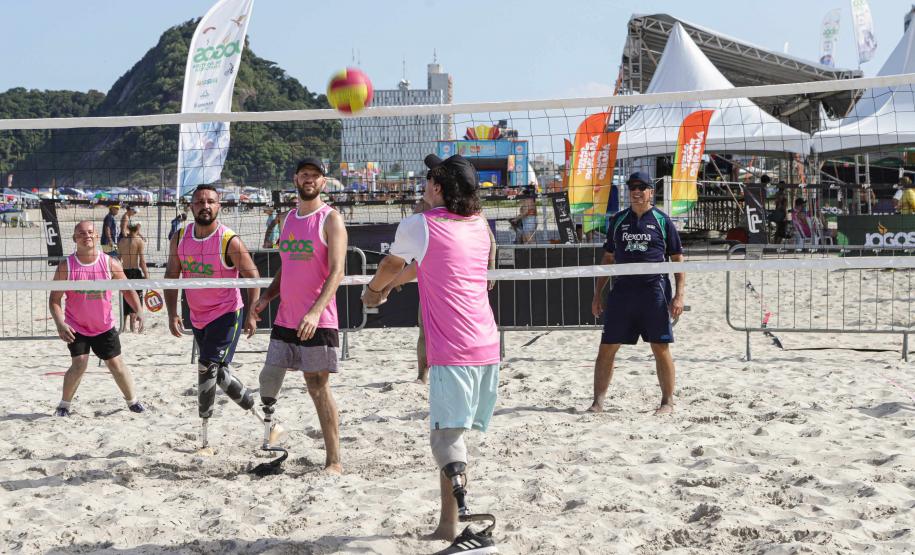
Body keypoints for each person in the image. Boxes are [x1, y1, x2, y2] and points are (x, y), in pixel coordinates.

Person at [363, 153, 500, 553]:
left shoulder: (419, 224)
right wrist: (391, 286)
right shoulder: (479, 224)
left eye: (428, 181)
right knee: (453, 435)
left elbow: (391, 263)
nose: (422, 187)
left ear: (438, 188)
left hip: (454, 350)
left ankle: (472, 527)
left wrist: (374, 291)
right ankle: (447, 524)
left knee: (445, 443)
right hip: (487, 347)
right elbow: (420, 266)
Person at [251, 157, 348, 474]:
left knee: (317, 387)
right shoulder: (288, 219)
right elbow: (288, 264)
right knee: (268, 380)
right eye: (305, 174)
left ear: (323, 182)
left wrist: (315, 311)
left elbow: (337, 271)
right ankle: (272, 439)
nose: (310, 179)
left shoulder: (330, 219)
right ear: (295, 178)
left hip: (317, 320)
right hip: (285, 318)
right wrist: (267, 295)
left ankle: (333, 460)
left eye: (316, 176)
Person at [163, 184, 263, 453]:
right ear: (191, 207)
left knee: (206, 367)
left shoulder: (229, 240)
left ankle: (205, 438)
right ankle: (264, 417)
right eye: (199, 202)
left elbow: (253, 276)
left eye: (210, 201)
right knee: (219, 376)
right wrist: (172, 313)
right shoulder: (180, 237)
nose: (205, 206)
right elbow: (172, 277)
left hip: (227, 313)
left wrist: (253, 313)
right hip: (198, 317)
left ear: (219, 206)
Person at [588, 171, 685, 416]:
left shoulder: (662, 221)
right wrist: (597, 294)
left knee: (660, 346)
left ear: (651, 191)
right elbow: (608, 259)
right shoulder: (619, 220)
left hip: (654, 291)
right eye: (632, 187)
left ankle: (667, 402)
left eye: (642, 187)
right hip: (622, 292)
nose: (637, 191)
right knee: (607, 346)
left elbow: (678, 260)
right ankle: (598, 403)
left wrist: (679, 296)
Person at [48, 220, 146, 417]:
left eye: (90, 232)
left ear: (95, 236)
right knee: (79, 364)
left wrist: (139, 310)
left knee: (116, 365)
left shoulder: (110, 263)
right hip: (77, 326)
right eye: (82, 233)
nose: (87, 236)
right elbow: (54, 300)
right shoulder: (66, 266)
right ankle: (64, 405)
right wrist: (60, 324)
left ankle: (133, 402)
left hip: (104, 326)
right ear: (75, 238)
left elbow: (127, 290)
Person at [116, 222, 149, 333]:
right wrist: (147, 276)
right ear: (138, 227)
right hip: (135, 272)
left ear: (128, 228)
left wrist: (117, 273)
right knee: (136, 298)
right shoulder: (139, 241)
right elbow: (142, 262)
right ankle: (133, 327)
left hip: (124, 271)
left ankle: (123, 326)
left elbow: (118, 259)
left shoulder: (121, 241)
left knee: (125, 297)